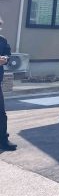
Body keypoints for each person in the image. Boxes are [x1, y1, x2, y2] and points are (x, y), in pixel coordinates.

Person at [0, 16, 17, 151]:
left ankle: (3, 140)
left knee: (1, 113)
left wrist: (5, 58)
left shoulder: (2, 40)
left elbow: (8, 55)